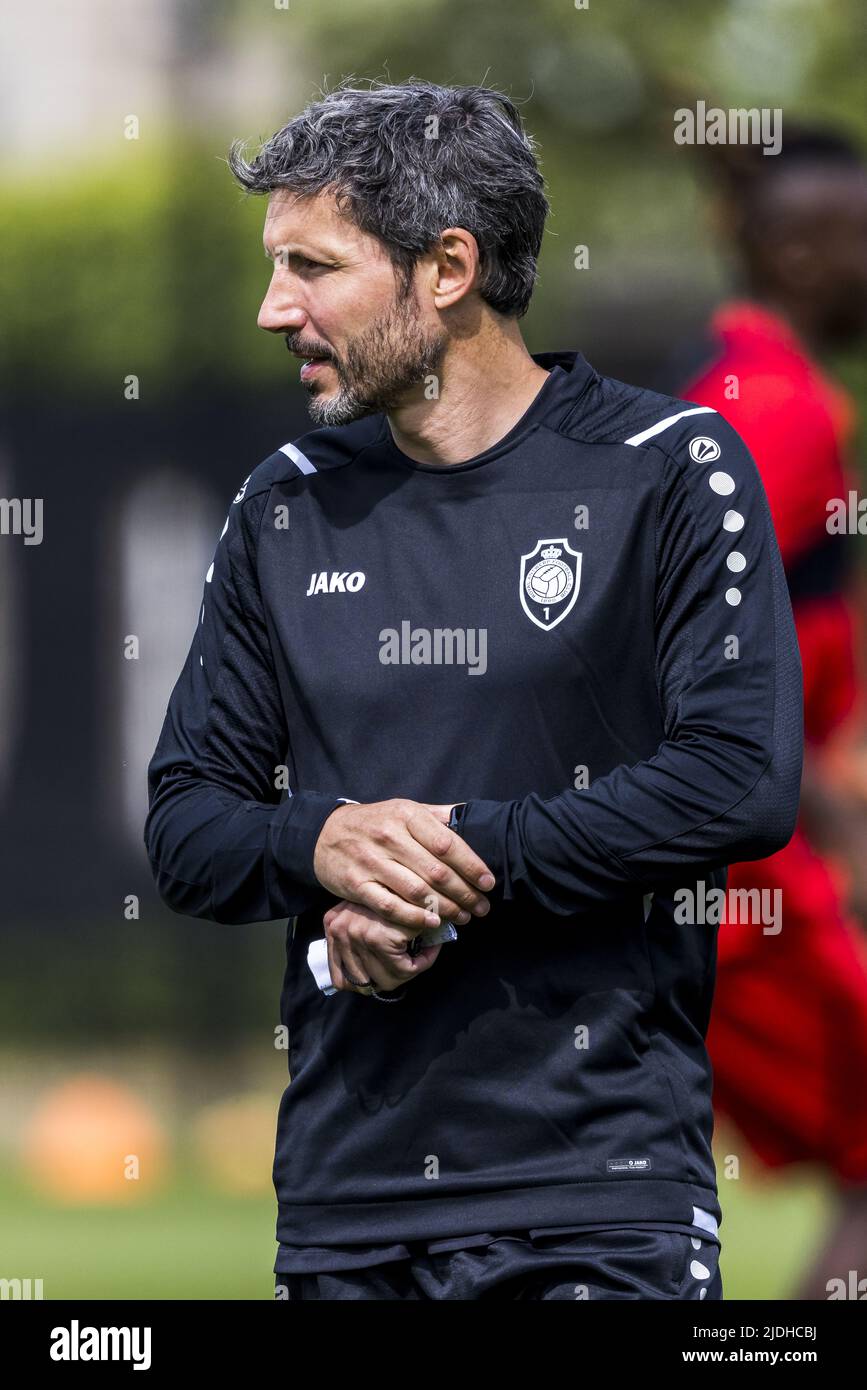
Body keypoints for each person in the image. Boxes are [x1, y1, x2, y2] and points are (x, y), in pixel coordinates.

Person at [144, 80, 802, 1300]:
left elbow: (738, 781)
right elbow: (187, 822)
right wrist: (327, 841)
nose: (271, 308)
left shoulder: (670, 469)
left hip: (601, 1194)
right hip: (348, 1202)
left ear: (446, 267)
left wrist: (452, 859)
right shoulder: (284, 503)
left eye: (312, 266)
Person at [678, 128, 867, 1300]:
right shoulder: (777, 412)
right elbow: (679, 652)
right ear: (800, 252)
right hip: (743, 886)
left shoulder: (753, 393)